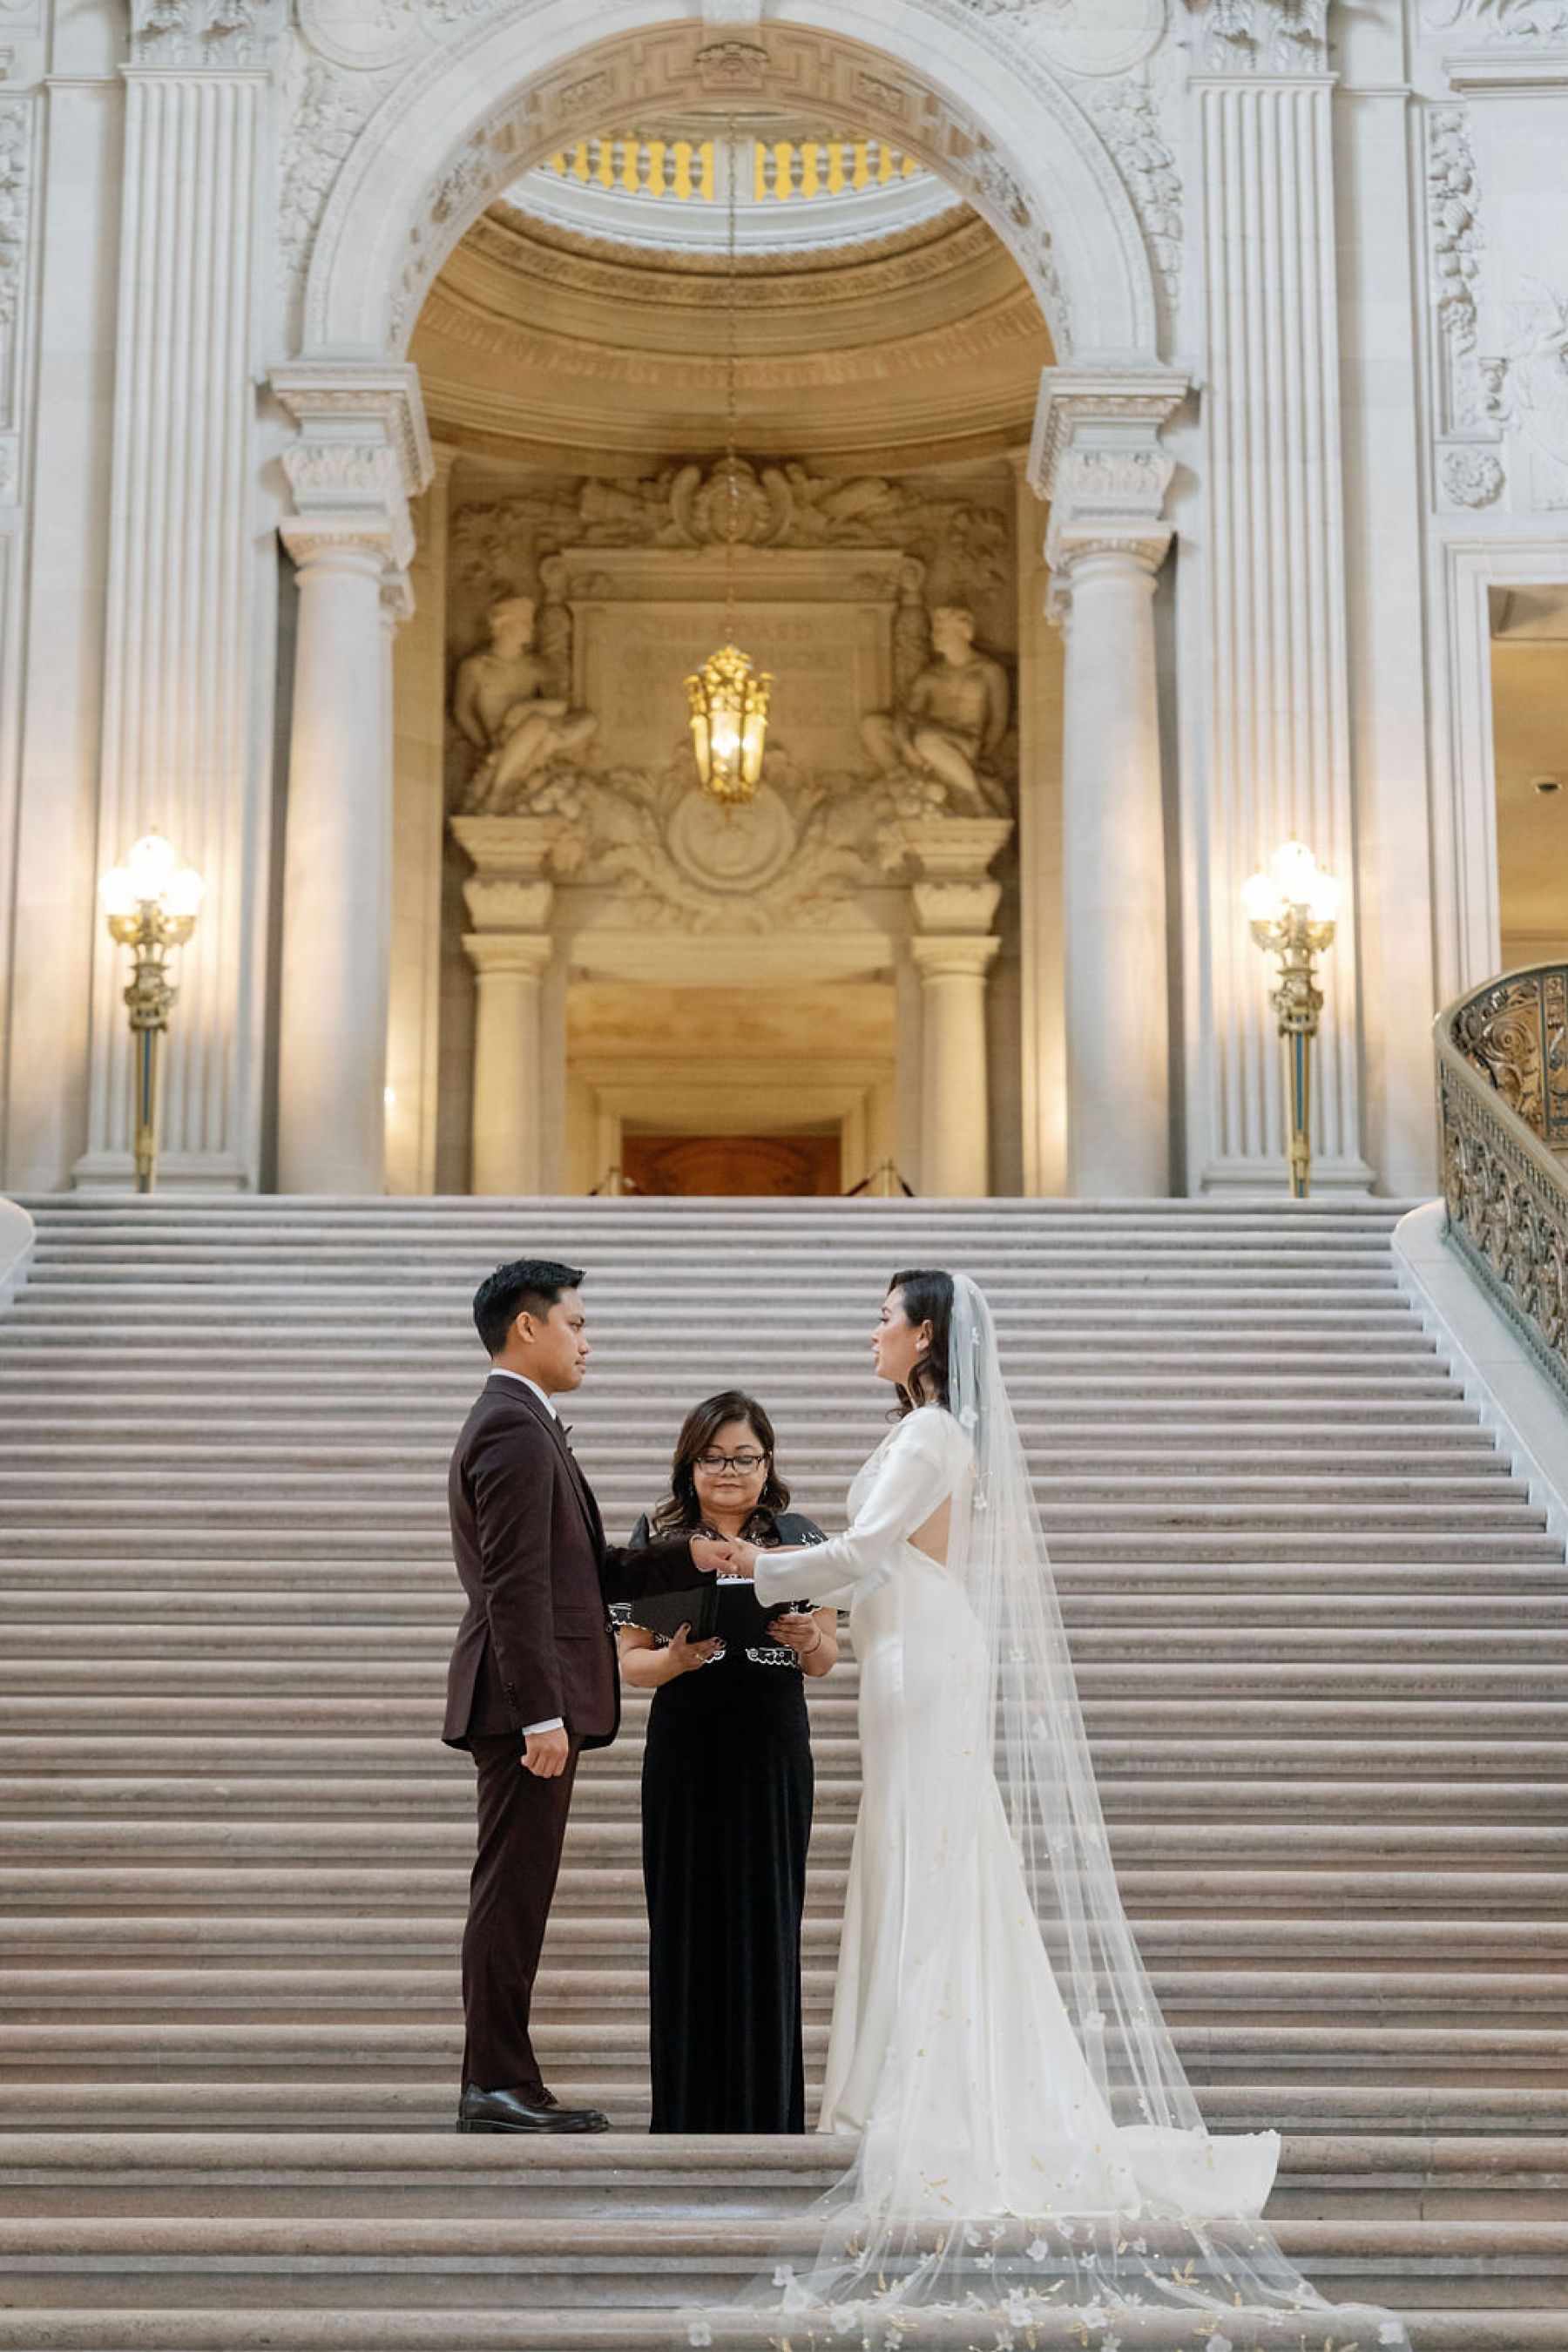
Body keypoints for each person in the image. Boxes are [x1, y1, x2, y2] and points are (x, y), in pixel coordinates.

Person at [712, 1269, 1411, 2352]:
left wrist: (748, 1570)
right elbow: (861, 1571)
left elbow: (860, 1555)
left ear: (926, 1333)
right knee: (912, 1852)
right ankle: (889, 2079)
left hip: (927, 1655)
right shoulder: (925, 1434)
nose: (872, 1329)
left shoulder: (935, 1435)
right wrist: (782, 1586)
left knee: (935, 1853)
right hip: (906, 1649)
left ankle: (935, 2093)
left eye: (884, 1315)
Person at [442, 1258, 730, 2136]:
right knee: (511, 1893)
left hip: (533, 1695)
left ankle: (505, 2080)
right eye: (574, 1323)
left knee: (518, 1892)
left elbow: (584, 1575)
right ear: (527, 1328)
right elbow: (515, 1587)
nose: (586, 1340)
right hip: (524, 1704)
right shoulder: (513, 1431)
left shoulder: (526, 1425)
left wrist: (689, 1558)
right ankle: (494, 2084)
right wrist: (540, 1712)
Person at [618, 1390, 838, 2135]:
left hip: (772, 1752)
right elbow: (631, 1667)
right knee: (684, 1925)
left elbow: (826, 1661)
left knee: (768, 1925)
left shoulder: (804, 1538)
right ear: (691, 1463)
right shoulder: (661, 1538)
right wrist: (673, 1659)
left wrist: (808, 1637)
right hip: (686, 1750)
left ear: (768, 1462)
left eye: (745, 1457)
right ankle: (683, 2115)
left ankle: (768, 2114)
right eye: (714, 1457)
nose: (730, 1471)